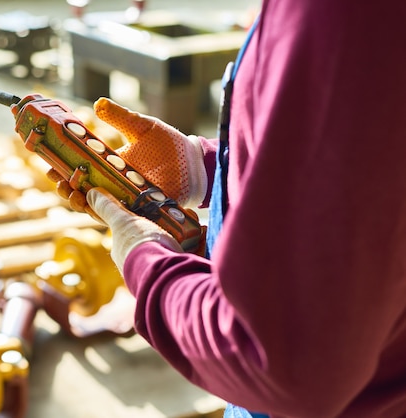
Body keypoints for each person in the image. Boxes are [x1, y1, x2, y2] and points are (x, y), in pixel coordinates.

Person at [51, 0, 406, 416]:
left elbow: (280, 362)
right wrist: (205, 168)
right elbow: (365, 172)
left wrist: (148, 264)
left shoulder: (338, 17)